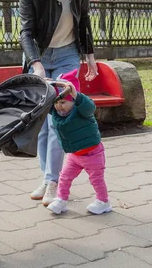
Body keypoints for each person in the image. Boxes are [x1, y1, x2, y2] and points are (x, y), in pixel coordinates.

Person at [19, 0, 98, 206]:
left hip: (67, 57)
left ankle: (53, 182)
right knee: (41, 122)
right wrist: (35, 63)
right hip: (40, 56)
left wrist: (90, 56)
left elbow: (84, 20)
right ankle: (47, 177)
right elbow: (26, 31)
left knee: (58, 120)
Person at [47, 69, 111, 215]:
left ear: (73, 100)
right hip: (74, 155)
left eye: (63, 102)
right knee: (64, 177)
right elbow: (47, 104)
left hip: (92, 154)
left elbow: (90, 107)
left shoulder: (82, 109)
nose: (58, 106)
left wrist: (76, 94)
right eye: (56, 103)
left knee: (96, 179)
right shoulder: (57, 112)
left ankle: (103, 201)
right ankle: (61, 200)